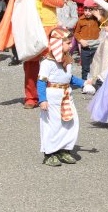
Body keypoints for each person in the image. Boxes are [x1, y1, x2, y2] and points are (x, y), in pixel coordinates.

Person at [37, 28, 86, 166]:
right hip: (52, 97)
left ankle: (64, 149)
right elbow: (41, 81)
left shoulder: (67, 60)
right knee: (52, 125)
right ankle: (50, 153)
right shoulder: (47, 63)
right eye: (68, 43)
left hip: (66, 95)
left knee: (70, 122)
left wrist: (83, 83)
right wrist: (42, 99)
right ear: (58, 44)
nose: (71, 46)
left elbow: (68, 78)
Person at [73, 0, 102, 82]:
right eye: (86, 10)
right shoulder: (81, 20)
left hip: (96, 47)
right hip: (85, 47)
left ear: (95, 10)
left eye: (90, 10)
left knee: (95, 65)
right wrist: (81, 40)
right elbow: (76, 33)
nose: (87, 12)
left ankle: (94, 82)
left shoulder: (97, 20)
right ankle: (84, 83)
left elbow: (105, 24)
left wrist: (98, 16)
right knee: (85, 67)